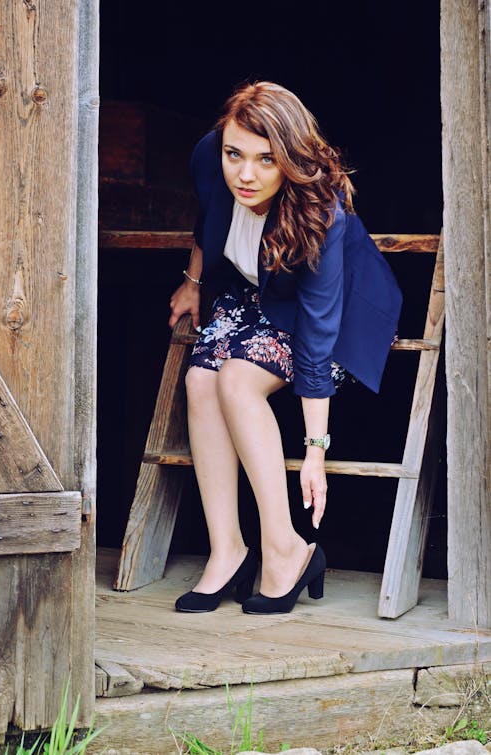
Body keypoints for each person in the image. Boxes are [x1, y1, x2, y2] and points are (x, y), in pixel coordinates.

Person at [169, 81, 402, 615]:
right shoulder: (210, 156)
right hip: (259, 294)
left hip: (339, 316)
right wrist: (194, 281)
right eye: (235, 155)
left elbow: (318, 338)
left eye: (266, 161)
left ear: (292, 161)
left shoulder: (324, 216)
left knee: (236, 378)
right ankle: (226, 550)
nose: (244, 174)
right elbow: (208, 220)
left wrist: (315, 450)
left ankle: (287, 549)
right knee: (200, 379)